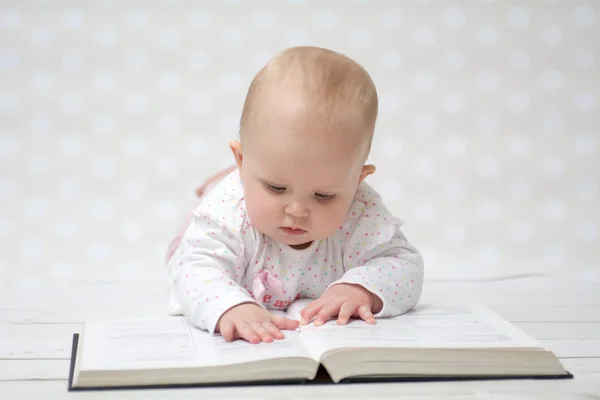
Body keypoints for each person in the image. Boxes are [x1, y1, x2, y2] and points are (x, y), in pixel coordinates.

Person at [166, 46, 424, 344]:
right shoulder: (226, 213)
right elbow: (194, 269)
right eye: (277, 188)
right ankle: (225, 178)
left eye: (324, 195)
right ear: (242, 160)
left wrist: (361, 288)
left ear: (357, 181)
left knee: (286, 173)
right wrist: (232, 306)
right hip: (210, 227)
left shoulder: (360, 212)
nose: (297, 210)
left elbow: (404, 265)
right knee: (182, 250)